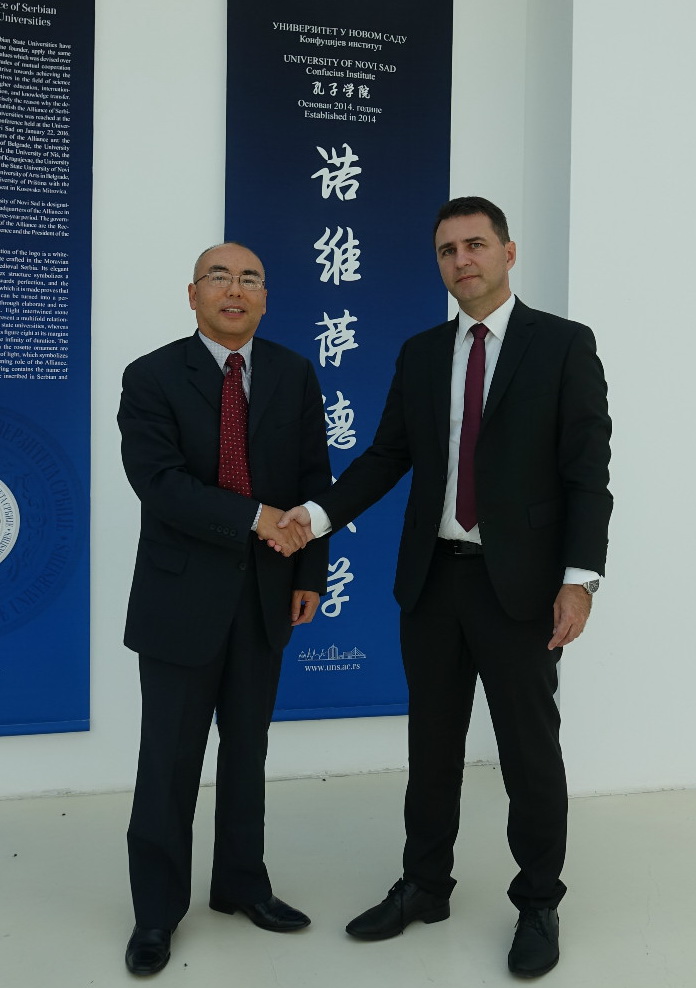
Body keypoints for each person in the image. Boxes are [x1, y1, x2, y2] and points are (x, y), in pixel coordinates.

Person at [275, 197, 612, 977]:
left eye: (475, 244)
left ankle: (538, 901)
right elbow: (385, 457)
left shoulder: (563, 345)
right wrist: (315, 516)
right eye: (447, 250)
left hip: (520, 589)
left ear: (507, 252)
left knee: (529, 753)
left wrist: (580, 581)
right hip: (432, 582)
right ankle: (426, 885)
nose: (462, 260)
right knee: (431, 746)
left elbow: (586, 475)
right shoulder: (423, 353)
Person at [118, 242, 331, 976]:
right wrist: (254, 517)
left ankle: (242, 883)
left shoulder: (294, 373)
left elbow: (313, 479)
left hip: (267, 595)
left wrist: (310, 572)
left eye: (249, 279)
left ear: (265, 298)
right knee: (169, 761)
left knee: (248, 751)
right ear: (193, 294)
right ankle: (155, 913)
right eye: (219, 277)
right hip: (180, 600)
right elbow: (159, 483)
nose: (234, 290)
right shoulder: (150, 376)